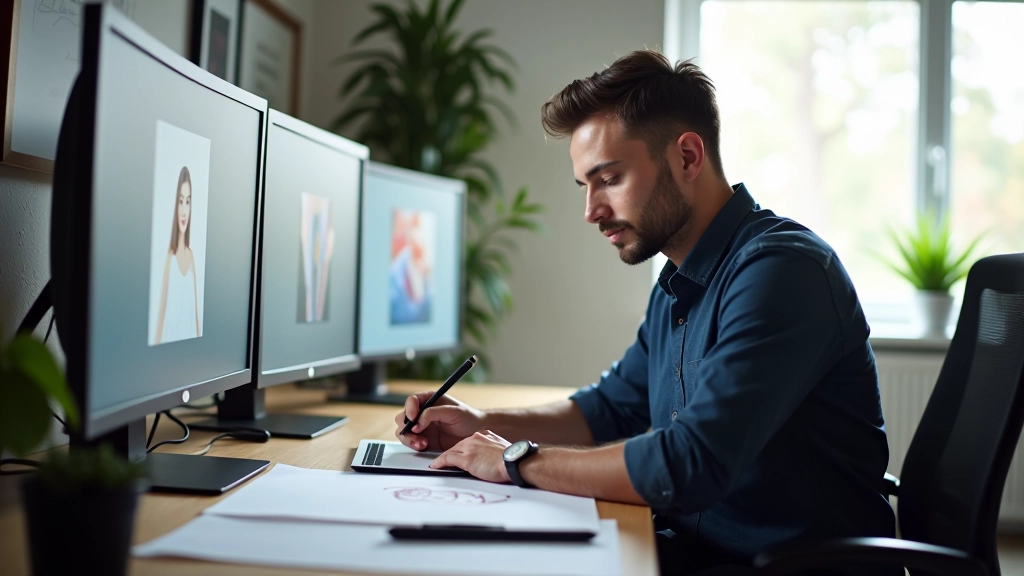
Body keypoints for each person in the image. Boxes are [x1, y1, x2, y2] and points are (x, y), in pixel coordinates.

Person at [394, 50, 898, 575]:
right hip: (694, 550)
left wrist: (515, 460)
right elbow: (607, 410)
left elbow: (689, 463)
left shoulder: (782, 272)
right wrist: (478, 423)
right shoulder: (677, 284)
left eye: (609, 179)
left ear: (686, 157)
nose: (590, 210)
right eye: (585, 186)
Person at [155, 166, 200, 344]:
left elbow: (196, 316)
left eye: (188, 201)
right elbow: (161, 316)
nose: (184, 210)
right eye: (180, 201)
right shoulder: (170, 258)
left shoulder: (191, 257)